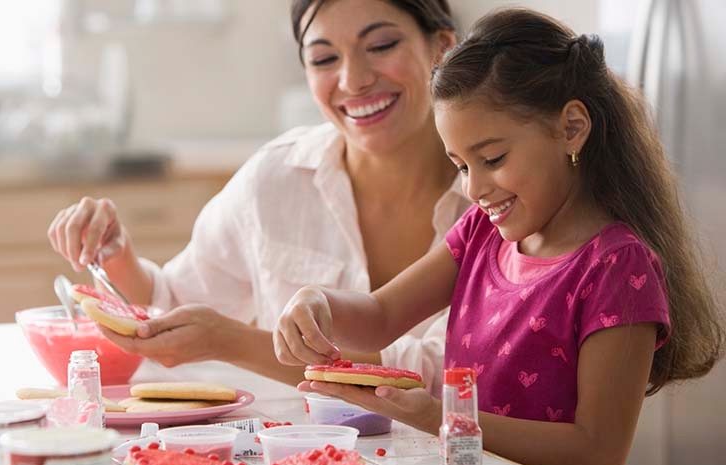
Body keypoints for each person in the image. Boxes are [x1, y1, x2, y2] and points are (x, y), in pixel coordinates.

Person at [274, 7, 723, 465]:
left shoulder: (617, 267)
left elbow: (595, 459)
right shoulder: (480, 234)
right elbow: (381, 315)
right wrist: (316, 302)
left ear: (572, 128)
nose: (474, 188)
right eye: (462, 166)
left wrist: (439, 417)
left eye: (492, 159)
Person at [47, 0, 469, 388]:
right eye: (324, 58)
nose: (353, 80)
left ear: (442, 48)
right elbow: (170, 310)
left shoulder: (494, 201)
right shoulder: (275, 179)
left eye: (381, 45)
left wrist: (233, 343)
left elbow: (435, 373)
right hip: (295, 455)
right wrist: (117, 257)